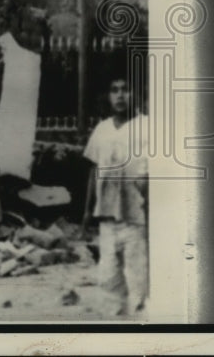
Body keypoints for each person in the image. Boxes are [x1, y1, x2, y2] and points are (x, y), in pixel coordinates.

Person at [82, 76, 149, 316]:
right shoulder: (102, 129)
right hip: (108, 217)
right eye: (114, 90)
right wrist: (88, 212)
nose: (120, 96)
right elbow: (93, 170)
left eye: (126, 90)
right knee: (109, 279)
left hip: (137, 217)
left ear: (137, 93)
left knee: (138, 279)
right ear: (108, 96)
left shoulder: (148, 127)